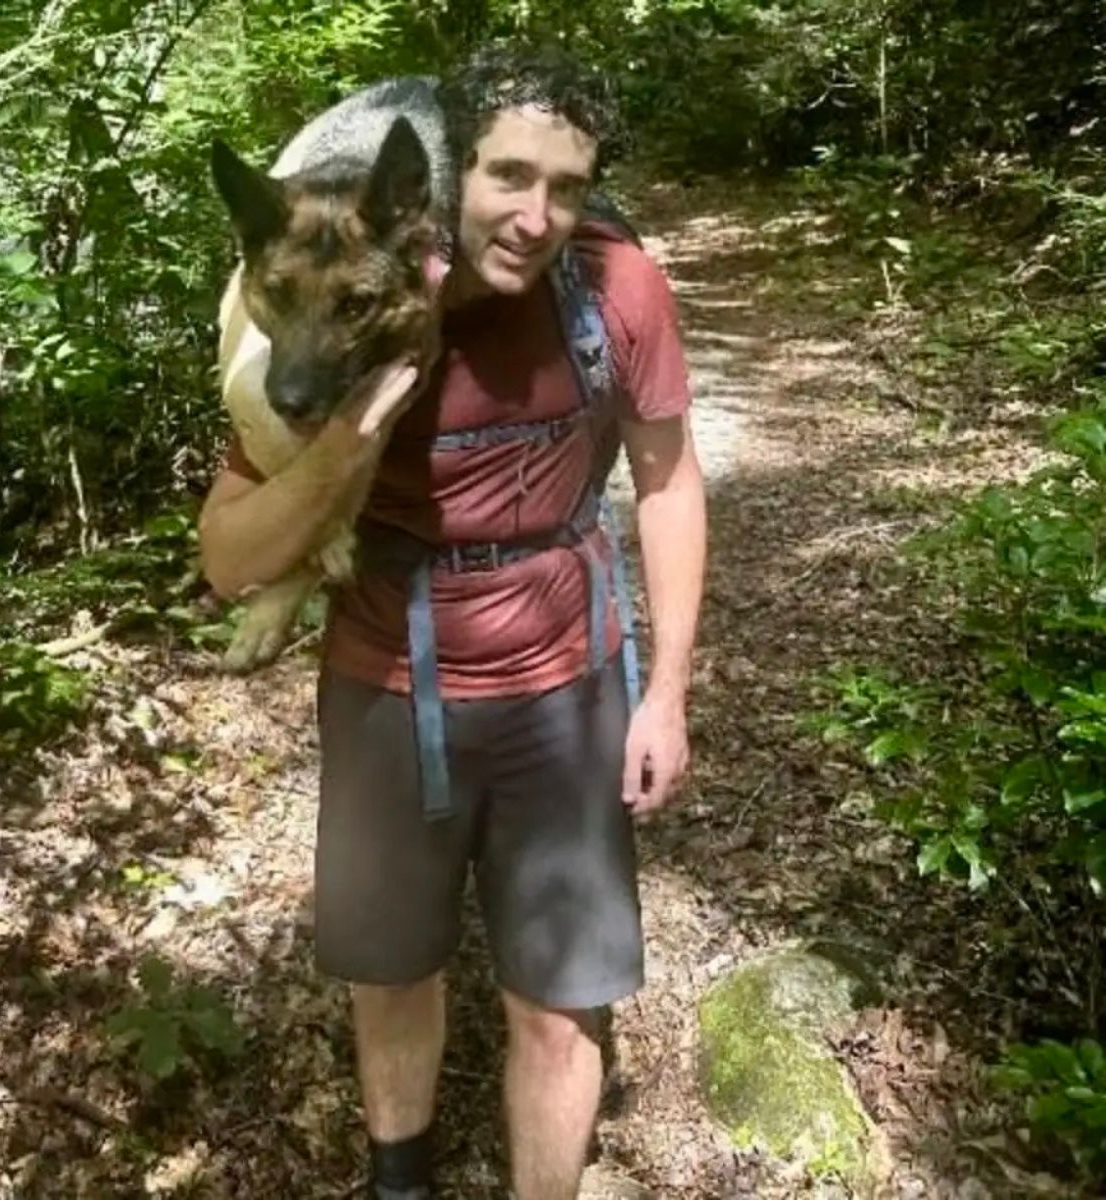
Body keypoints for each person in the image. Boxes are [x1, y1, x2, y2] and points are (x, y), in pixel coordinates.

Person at [198, 44, 707, 1200]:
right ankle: (400, 1185)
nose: (536, 216)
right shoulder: (338, 301)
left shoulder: (615, 287)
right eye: (509, 176)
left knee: (558, 1005)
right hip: (387, 682)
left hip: (569, 691)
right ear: (443, 182)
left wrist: (667, 692)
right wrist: (355, 426)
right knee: (391, 975)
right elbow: (230, 558)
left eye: (566, 188)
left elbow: (670, 483)